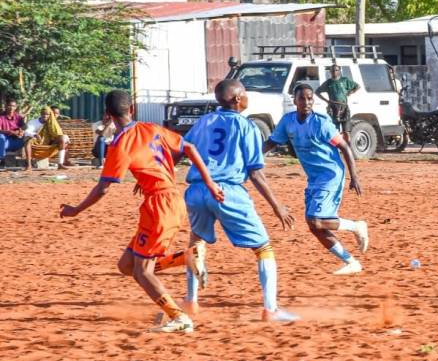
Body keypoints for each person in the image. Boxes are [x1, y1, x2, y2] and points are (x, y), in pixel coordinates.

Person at [59, 90, 224, 333]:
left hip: (159, 206)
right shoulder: (152, 128)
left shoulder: (120, 144)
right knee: (127, 266)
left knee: (142, 271)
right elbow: (189, 148)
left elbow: (104, 188)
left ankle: (179, 317)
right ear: (132, 109)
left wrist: (77, 209)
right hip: (171, 200)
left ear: (107, 115)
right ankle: (186, 257)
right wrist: (209, 182)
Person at [183, 79, 299, 323]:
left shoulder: (204, 122)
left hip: (196, 189)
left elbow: (180, 149)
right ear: (237, 99)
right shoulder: (246, 127)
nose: (247, 98)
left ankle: (190, 302)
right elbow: (255, 172)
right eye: (245, 94)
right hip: (227, 191)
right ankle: (271, 309)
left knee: (195, 242)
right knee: (263, 248)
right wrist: (276, 205)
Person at [265, 84, 369, 275]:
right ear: (294, 100)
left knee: (317, 220)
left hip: (331, 175)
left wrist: (354, 176)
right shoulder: (288, 121)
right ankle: (351, 262)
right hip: (314, 178)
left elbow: (344, 147)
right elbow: (272, 142)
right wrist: (253, 158)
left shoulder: (321, 123)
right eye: (302, 98)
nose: (307, 102)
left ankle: (356, 226)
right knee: (313, 225)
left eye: (310, 98)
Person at [315, 65, 361, 137]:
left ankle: (347, 147)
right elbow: (317, 92)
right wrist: (327, 101)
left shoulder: (344, 80)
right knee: (334, 131)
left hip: (344, 107)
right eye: (332, 70)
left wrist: (350, 92)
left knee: (346, 131)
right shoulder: (328, 82)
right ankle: (337, 147)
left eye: (336, 70)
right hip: (333, 108)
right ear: (330, 72)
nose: (334, 72)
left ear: (339, 71)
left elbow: (357, 86)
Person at [23, 105, 70, 170]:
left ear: (50, 115)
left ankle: (60, 164)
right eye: (43, 114)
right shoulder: (33, 122)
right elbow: (26, 132)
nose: (45, 116)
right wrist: (35, 134)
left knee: (62, 139)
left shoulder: (53, 123)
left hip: (50, 145)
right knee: (28, 141)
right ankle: (28, 165)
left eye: (47, 114)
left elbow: (59, 134)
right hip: (36, 144)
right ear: (40, 114)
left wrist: (65, 138)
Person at [0, 98, 26, 167]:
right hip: (5, 142)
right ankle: (2, 160)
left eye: (13, 106)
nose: (11, 108)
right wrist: (10, 132)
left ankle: (28, 162)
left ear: (16, 107)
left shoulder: (18, 117)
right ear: (6, 106)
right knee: (1, 137)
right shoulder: (1, 116)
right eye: (9, 105)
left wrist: (20, 130)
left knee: (28, 136)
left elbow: (24, 126)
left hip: (17, 141)